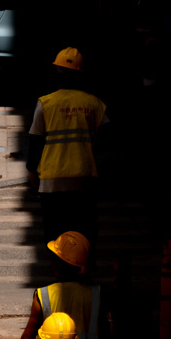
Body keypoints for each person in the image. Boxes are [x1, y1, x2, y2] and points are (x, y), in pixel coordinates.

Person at [26, 48, 109, 243]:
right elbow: (106, 137)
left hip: (53, 179)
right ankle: (83, 266)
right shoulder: (94, 103)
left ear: (57, 73)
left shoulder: (46, 103)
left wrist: (32, 169)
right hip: (84, 176)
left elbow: (35, 138)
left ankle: (57, 266)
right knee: (84, 225)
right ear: (81, 75)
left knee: (54, 226)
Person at [16, 230, 108, 339]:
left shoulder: (43, 295)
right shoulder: (96, 294)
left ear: (59, 264)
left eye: (55, 258)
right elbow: (105, 336)